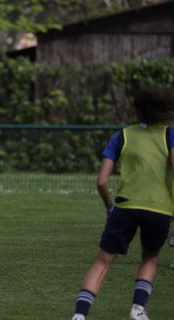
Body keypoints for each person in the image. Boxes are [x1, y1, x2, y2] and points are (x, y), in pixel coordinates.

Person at [71, 88, 174, 320]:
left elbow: (101, 181)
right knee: (149, 257)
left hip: (124, 207)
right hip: (159, 210)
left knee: (102, 262)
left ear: (135, 110)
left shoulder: (122, 135)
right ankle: (138, 310)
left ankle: (79, 316)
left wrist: (109, 207)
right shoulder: (170, 135)